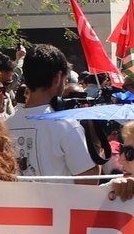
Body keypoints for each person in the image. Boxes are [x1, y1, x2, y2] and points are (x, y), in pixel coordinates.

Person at [8, 43, 101, 181]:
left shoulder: (4, 126)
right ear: (58, 78)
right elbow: (89, 180)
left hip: (15, 202)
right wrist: (95, 142)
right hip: (59, 202)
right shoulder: (66, 125)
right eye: (65, 79)